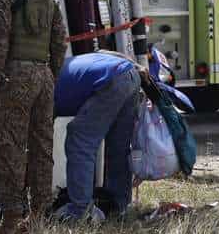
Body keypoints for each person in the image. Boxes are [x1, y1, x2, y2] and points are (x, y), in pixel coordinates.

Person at [0, 0, 67, 234]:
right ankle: (38, 217)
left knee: (10, 148)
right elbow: (60, 44)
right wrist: (50, 76)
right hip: (44, 76)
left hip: (14, 77)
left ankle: (10, 221)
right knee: (41, 147)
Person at [54, 51, 152, 221]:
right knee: (118, 147)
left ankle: (80, 211)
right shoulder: (61, 69)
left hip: (111, 80)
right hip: (129, 75)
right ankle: (118, 206)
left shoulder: (44, 87)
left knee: (79, 139)